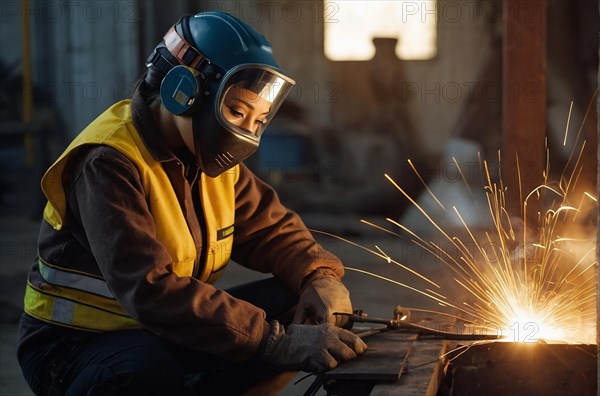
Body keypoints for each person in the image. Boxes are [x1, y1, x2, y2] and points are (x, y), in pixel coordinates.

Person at [17, 10, 367, 396]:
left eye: (257, 120)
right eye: (236, 112)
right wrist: (275, 342)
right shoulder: (109, 162)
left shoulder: (205, 160)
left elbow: (271, 229)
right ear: (182, 91)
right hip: (74, 347)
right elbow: (151, 290)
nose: (246, 133)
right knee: (147, 371)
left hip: (160, 330)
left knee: (296, 303)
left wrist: (317, 276)